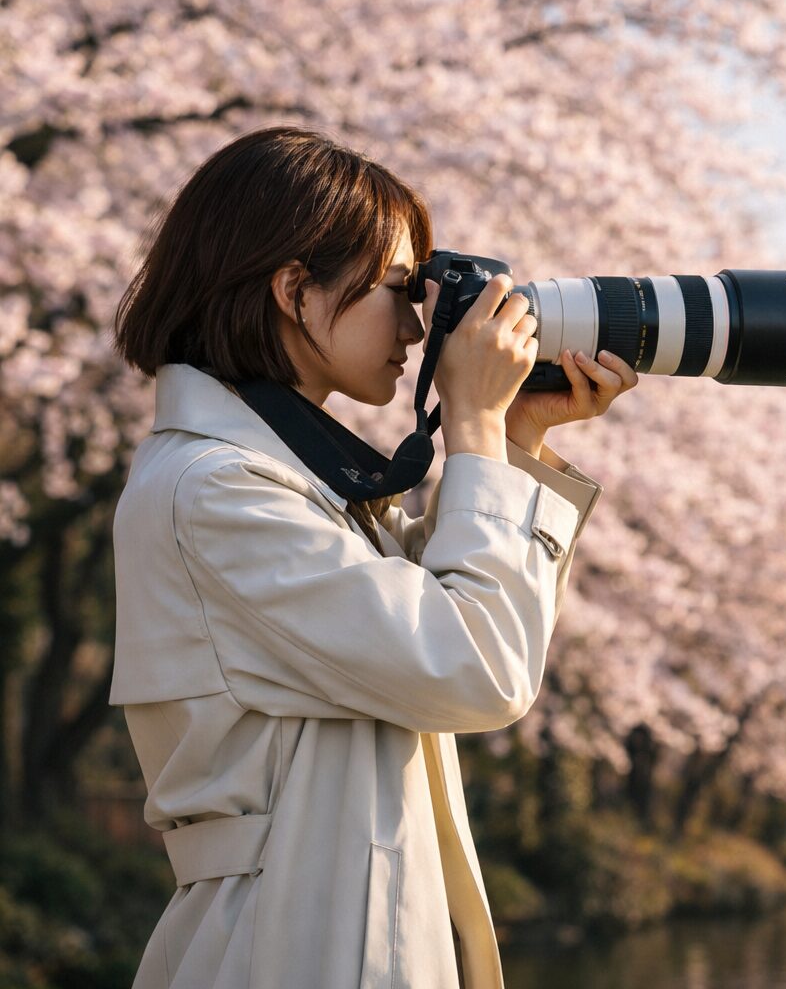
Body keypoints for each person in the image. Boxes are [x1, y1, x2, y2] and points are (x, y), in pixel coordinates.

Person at [107, 126, 637, 988]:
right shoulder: (217, 490)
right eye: (396, 285)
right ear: (294, 289)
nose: (419, 321)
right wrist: (468, 427)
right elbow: (474, 663)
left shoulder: (283, 477)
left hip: (320, 927)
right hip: (285, 944)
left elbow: (436, 613)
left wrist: (515, 441)